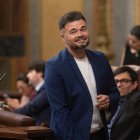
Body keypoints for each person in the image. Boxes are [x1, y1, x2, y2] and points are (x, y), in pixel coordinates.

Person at [45, 11, 120, 140]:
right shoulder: (55, 66)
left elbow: (115, 93)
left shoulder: (100, 59)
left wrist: (109, 100)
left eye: (83, 29)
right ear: (63, 37)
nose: (80, 34)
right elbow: (61, 113)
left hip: (100, 135)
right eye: (73, 31)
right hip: (71, 136)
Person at [15, 60, 51, 126]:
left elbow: (32, 107)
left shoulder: (46, 89)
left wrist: (13, 113)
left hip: (43, 130)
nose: (27, 75)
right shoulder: (39, 89)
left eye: (31, 72)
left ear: (40, 73)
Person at [108, 66, 140, 140]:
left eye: (124, 81)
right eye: (116, 81)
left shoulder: (137, 99)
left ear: (134, 84)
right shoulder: (113, 99)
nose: (119, 85)